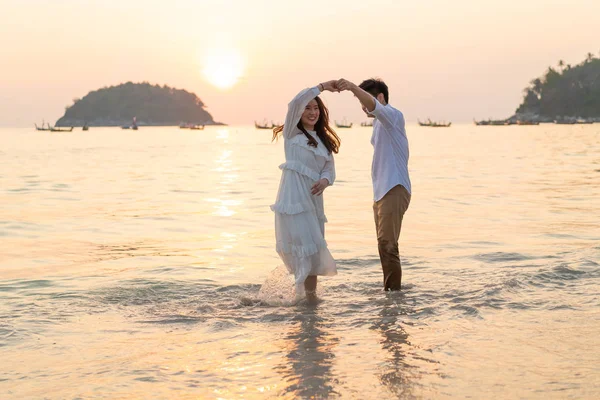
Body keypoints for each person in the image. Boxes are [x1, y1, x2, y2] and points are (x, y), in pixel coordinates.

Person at [336, 78, 411, 290]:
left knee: (388, 245)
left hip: (394, 187)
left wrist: (351, 87)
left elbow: (373, 106)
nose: (362, 107)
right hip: (381, 193)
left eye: (364, 100)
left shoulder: (393, 116)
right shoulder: (379, 123)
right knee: (383, 245)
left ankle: (393, 297)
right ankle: (390, 294)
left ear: (379, 98)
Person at [271, 81, 341, 301]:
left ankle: (309, 301)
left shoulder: (323, 141)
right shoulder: (292, 133)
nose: (312, 112)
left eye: (316, 108)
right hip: (294, 201)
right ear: (300, 112)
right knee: (302, 246)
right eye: (308, 108)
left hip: (313, 200)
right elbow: (295, 102)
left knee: (312, 251)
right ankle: (299, 298)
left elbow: (330, 169)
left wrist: (324, 181)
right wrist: (322, 87)